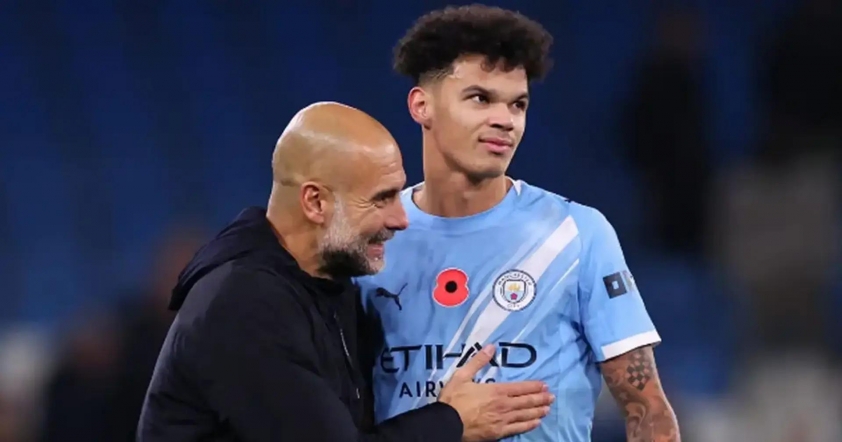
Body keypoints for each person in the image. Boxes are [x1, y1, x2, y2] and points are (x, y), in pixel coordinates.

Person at [355, 5, 681, 441]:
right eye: (480, 98)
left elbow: (648, 409)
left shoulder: (577, 234)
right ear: (421, 105)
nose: (505, 120)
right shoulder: (373, 235)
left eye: (518, 104)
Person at [137, 101, 555, 441]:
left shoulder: (331, 285)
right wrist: (453, 421)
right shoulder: (242, 303)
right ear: (315, 203)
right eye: (380, 199)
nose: (400, 219)